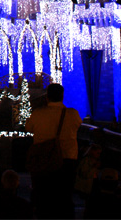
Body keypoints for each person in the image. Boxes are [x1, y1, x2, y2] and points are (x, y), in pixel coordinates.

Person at [25, 83, 82, 219]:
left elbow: (28, 128)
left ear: (47, 97)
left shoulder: (38, 114)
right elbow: (78, 126)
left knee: (43, 198)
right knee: (64, 196)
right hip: (67, 160)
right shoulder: (73, 114)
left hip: (43, 161)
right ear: (62, 96)